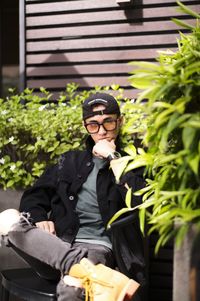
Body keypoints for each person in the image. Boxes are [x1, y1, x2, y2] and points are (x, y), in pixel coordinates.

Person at [0, 93, 147, 301]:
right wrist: (39, 216)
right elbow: (36, 195)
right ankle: (79, 265)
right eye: (94, 125)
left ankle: (79, 269)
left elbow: (141, 201)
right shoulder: (69, 160)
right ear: (85, 126)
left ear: (119, 121)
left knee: (73, 286)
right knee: (6, 218)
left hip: (96, 250)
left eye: (108, 122)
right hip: (53, 246)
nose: (102, 131)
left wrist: (114, 159)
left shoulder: (133, 163)